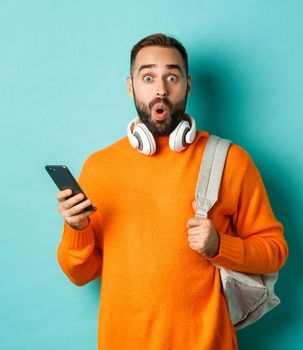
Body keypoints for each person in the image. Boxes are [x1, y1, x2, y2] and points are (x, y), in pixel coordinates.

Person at [55, 33, 289, 349]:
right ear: (130, 86)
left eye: (172, 77)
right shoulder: (99, 167)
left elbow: (275, 251)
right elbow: (80, 274)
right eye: (148, 76)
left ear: (187, 85)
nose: (161, 89)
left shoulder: (229, 160)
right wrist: (76, 228)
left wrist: (220, 245)